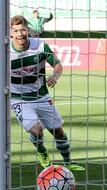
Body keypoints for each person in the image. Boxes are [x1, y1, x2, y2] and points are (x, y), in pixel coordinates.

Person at [10, 15, 85, 171]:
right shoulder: (4, 52)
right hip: (18, 99)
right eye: (16, 31)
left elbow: (58, 65)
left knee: (57, 131)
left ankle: (68, 162)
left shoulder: (40, 45)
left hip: (41, 96)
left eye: (23, 29)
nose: (20, 34)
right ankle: (42, 152)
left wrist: (55, 76)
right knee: (37, 130)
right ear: (11, 33)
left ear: (28, 30)